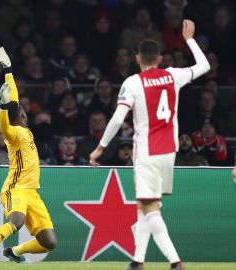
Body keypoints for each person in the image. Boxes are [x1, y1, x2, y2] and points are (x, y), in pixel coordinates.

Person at [89, 20, 210, 270]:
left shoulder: (132, 83)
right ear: (160, 58)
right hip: (169, 151)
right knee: (144, 204)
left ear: (137, 59)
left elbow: (116, 119)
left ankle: (175, 262)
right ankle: (137, 261)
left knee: (151, 207)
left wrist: (101, 146)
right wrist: (189, 39)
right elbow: (205, 65)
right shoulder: (173, 75)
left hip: (147, 151)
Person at [0, 45, 56, 264]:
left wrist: (8, 68)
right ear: (21, 114)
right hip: (15, 188)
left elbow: (11, 94)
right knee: (16, 222)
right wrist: (3, 106)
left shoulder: (25, 131)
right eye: (22, 109)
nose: (25, 110)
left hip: (32, 192)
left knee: (49, 242)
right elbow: (4, 124)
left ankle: (15, 252)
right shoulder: (13, 132)